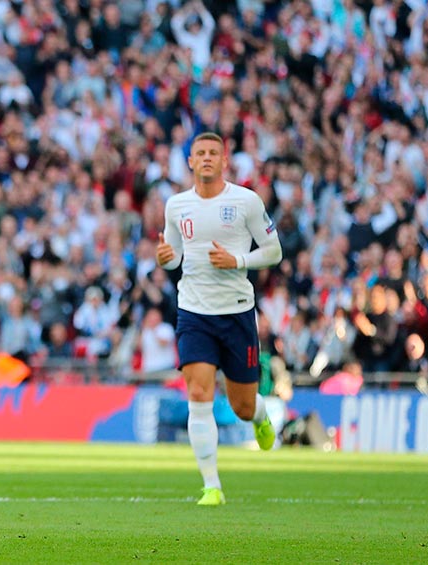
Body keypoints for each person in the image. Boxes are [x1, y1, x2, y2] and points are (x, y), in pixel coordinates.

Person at [156, 132, 282, 506]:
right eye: (200, 153)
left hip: (237, 312)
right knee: (198, 393)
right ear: (191, 162)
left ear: (224, 161)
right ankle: (212, 485)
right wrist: (165, 259)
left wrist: (238, 260)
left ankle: (260, 415)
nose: (207, 158)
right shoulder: (176, 206)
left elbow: (274, 251)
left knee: (242, 405)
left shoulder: (245, 201)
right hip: (194, 313)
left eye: (214, 153)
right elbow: (174, 257)